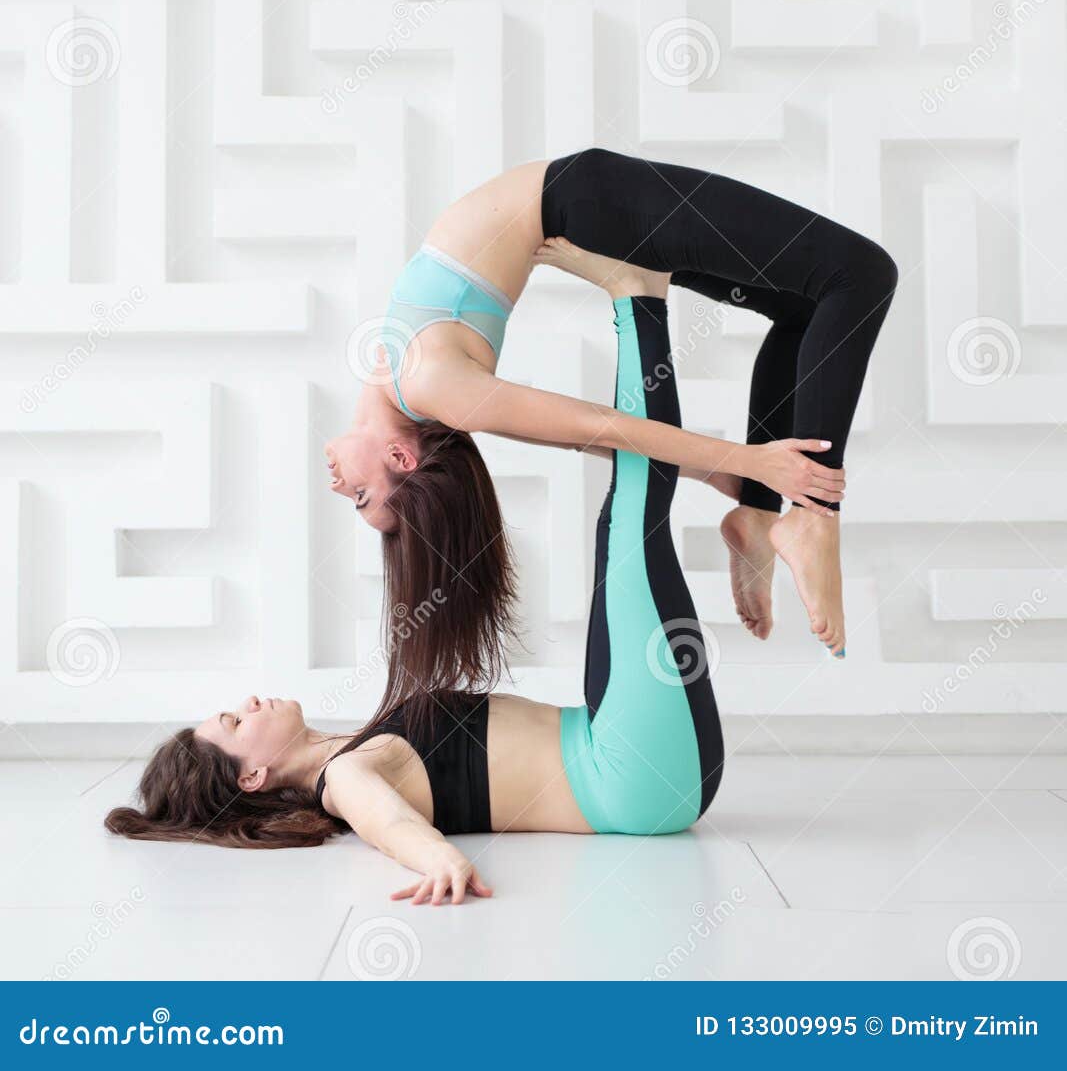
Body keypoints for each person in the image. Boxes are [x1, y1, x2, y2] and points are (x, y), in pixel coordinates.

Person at [106, 254, 723, 902]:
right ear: (253, 777)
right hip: (633, 775)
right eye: (234, 723)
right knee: (630, 516)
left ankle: (643, 299)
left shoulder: (356, 741)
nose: (249, 702)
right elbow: (388, 822)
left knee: (626, 518)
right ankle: (638, 291)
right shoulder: (345, 778)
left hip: (621, 745)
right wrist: (437, 862)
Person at [326, 149, 896, 657]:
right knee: (858, 275)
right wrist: (744, 467)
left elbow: (588, 434)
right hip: (590, 202)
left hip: (586, 208)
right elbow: (595, 430)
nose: (336, 484)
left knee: (813, 298)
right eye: (359, 494)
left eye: (357, 497)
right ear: (402, 459)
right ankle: (809, 518)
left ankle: (766, 510)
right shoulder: (428, 385)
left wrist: (739, 471)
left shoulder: (421, 391)